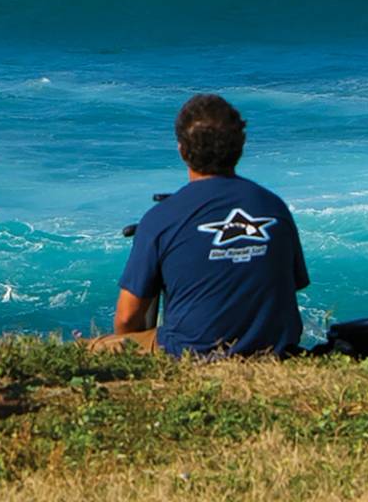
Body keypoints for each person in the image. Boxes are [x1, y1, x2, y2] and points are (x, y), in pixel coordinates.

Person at [103, 94, 309, 358]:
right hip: (274, 351)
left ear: (181, 150)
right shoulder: (273, 207)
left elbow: (127, 319)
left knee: (93, 349)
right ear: (241, 145)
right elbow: (291, 284)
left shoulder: (161, 218)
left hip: (190, 353)